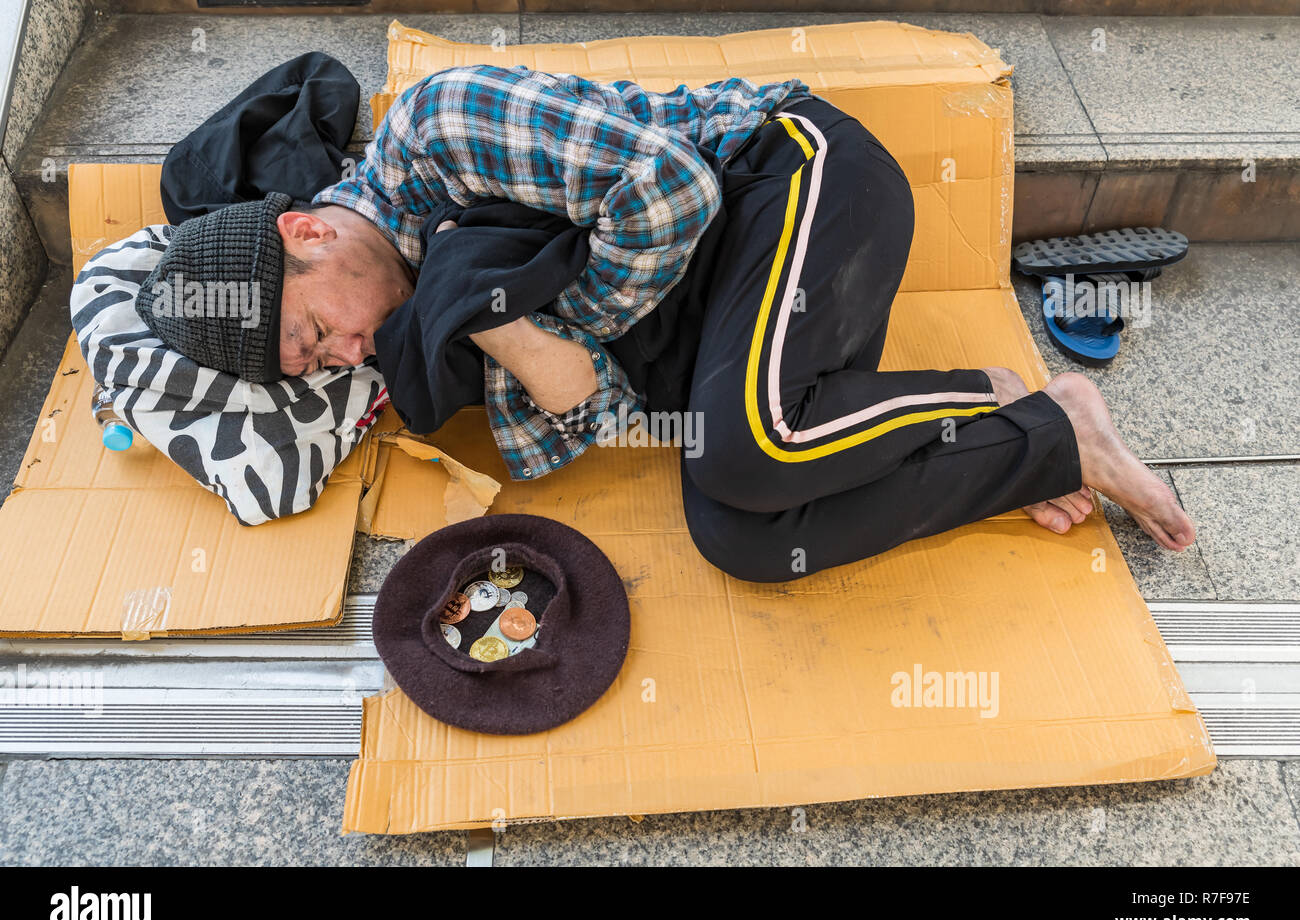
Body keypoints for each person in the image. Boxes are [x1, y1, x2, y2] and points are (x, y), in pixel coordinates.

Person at [134, 64, 1195, 582]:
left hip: (788, 178)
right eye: (320, 364)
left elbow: (672, 193)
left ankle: (1025, 405)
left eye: (318, 333)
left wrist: (539, 326)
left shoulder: (438, 127)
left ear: (313, 232)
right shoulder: (413, 316)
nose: (347, 358)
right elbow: (568, 417)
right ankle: (1030, 432)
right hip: (724, 318)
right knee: (743, 532)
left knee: (748, 443)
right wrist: (501, 329)